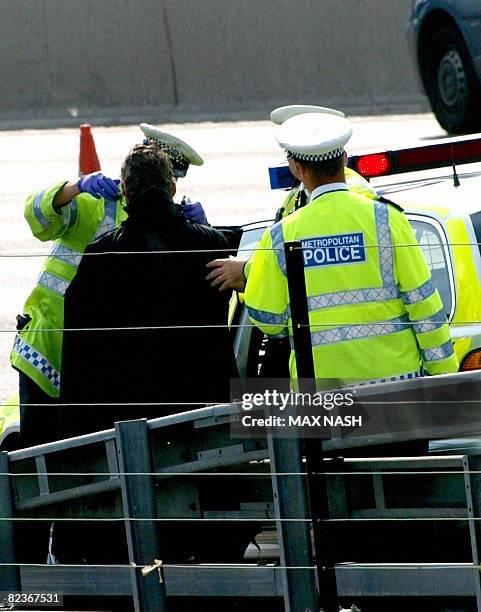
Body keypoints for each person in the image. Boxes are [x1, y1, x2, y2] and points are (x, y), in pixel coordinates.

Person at [11, 126, 205, 447]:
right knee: (42, 459)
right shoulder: (93, 202)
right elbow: (37, 216)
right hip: (49, 350)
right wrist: (75, 187)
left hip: (97, 364)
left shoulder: (172, 225)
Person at [244, 112, 459, 383]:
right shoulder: (387, 219)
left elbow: (268, 319)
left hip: (323, 393)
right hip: (397, 386)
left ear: (297, 169)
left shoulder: (282, 234)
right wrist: (446, 378)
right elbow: (424, 305)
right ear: (345, 161)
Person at [59, 142, 235, 438]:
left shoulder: (101, 256)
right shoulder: (213, 246)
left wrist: (76, 437)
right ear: (173, 187)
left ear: (125, 191)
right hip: (204, 421)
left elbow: (79, 359)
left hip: (127, 426)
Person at [206, 104, 377, 293]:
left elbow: (323, 253)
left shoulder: (354, 193)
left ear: (298, 166)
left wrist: (247, 271)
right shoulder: (298, 193)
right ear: (343, 158)